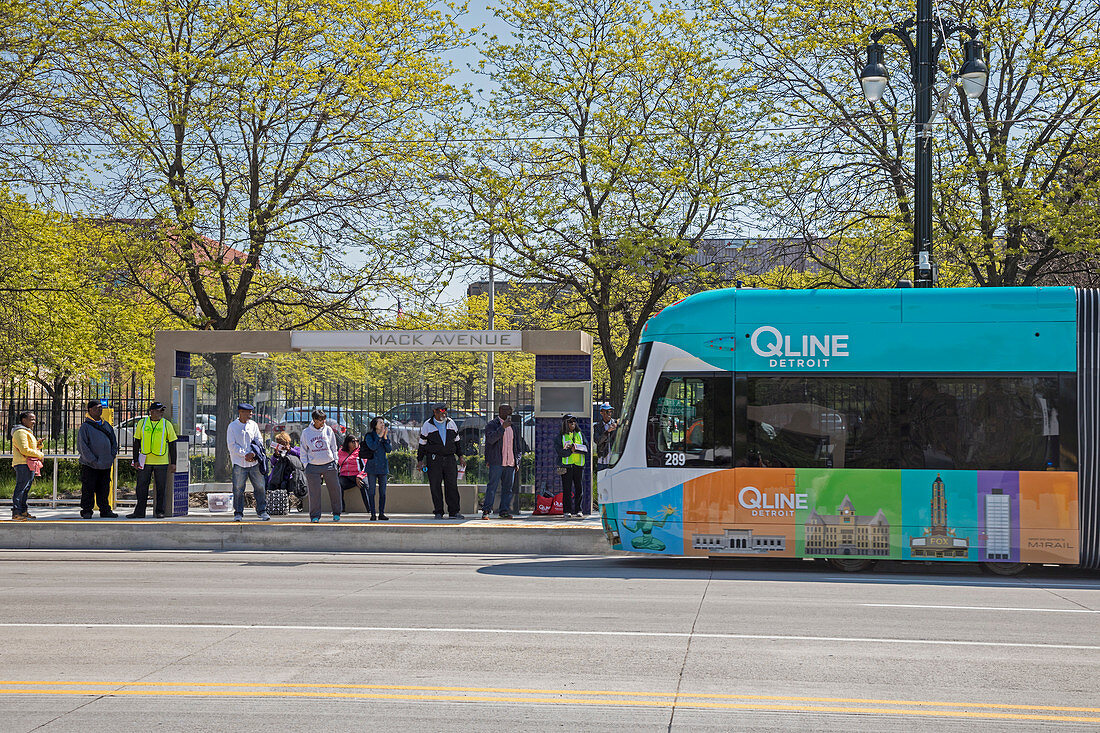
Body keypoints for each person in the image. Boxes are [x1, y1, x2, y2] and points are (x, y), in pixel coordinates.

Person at [128, 401, 177, 519]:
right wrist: (135, 460)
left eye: (162, 411)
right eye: (160, 410)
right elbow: (136, 442)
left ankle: (160, 511)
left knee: (161, 488)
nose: (162, 413)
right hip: (145, 461)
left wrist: (173, 463)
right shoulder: (142, 423)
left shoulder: (167, 424)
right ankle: (139, 512)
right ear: (152, 412)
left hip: (162, 462)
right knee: (141, 487)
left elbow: (172, 445)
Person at [416, 403, 465, 519]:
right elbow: (422, 444)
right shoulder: (428, 425)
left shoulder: (451, 423)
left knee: (452, 485)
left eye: (445, 411)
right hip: (434, 459)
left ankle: (454, 512)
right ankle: (438, 511)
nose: (444, 413)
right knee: (435, 485)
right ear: (435, 412)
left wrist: (461, 457)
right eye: (441, 411)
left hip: (449, 459)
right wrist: (420, 460)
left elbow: (457, 442)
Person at [76, 400, 121, 519]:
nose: (99, 410)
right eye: (97, 408)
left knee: (104, 489)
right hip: (90, 465)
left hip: (105, 464)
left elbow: (113, 442)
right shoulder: (85, 427)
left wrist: (111, 455)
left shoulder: (106, 425)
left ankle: (105, 510)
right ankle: (86, 510)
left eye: (101, 408)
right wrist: (92, 460)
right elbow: (82, 446)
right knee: (88, 489)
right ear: (90, 410)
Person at [226, 402, 269, 522]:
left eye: (251, 412)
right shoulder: (232, 427)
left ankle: (262, 511)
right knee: (238, 488)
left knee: (260, 487)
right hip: (239, 463)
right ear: (241, 412)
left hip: (254, 463)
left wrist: (253, 454)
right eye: (248, 413)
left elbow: (258, 440)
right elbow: (231, 445)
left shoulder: (253, 425)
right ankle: (238, 512)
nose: (250, 415)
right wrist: (245, 454)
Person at [300, 409, 342, 522]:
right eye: (320, 420)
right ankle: (315, 516)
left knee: (335, 490)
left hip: (329, 464)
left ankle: (337, 513)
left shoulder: (328, 430)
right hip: (313, 466)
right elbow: (303, 450)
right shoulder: (306, 432)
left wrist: (335, 460)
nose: (322, 422)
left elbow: (334, 446)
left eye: (324, 419)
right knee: (314, 493)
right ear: (314, 420)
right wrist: (306, 465)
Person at [483, 404, 520, 519]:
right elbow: (491, 439)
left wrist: (517, 461)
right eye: (505, 410)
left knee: (508, 489)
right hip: (497, 462)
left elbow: (518, 447)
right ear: (499, 411)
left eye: (510, 411)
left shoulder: (514, 427)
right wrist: (502, 428)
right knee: (492, 487)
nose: (508, 413)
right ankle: (486, 511)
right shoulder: (492, 425)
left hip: (510, 463)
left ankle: (504, 511)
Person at [10, 411, 44, 520]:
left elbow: (29, 448)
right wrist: (40, 454)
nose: (34, 422)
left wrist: (38, 444)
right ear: (24, 420)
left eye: (34, 419)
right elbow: (24, 450)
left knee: (25, 488)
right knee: (21, 488)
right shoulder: (20, 432)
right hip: (22, 463)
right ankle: (16, 512)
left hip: (28, 464)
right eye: (31, 419)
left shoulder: (27, 432)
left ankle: (23, 511)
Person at [557, 414, 588, 518]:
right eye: (570, 422)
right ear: (565, 423)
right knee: (567, 489)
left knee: (579, 488)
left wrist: (579, 448)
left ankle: (579, 510)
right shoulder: (560, 436)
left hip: (579, 465)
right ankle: (567, 511)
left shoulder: (579, 434)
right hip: (566, 466)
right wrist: (570, 451)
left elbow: (587, 447)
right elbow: (559, 451)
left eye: (574, 421)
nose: (573, 423)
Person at [360, 417, 392, 521]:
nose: (383, 425)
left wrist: (385, 438)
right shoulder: (369, 436)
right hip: (372, 467)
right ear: (375, 425)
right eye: (380, 423)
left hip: (383, 467)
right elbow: (372, 447)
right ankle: (373, 513)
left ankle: (381, 513)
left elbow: (389, 450)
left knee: (383, 492)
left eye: (383, 423)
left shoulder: (384, 436)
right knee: (372, 491)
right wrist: (379, 437)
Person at [269, 431, 307, 511]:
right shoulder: (279, 452)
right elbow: (273, 463)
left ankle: (297, 503)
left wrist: (290, 450)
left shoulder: (295, 449)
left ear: (287, 442)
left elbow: (301, 456)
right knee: (279, 484)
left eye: (283, 443)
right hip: (280, 476)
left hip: (293, 476)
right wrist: (276, 455)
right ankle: (283, 505)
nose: (282, 446)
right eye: (279, 443)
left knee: (287, 484)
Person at [337, 434, 365, 513]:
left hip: (357, 475)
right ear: (347, 443)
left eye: (357, 441)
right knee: (338, 485)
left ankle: (369, 509)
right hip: (345, 476)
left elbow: (365, 466)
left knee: (364, 485)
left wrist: (359, 476)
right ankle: (341, 508)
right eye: (353, 441)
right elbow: (338, 464)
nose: (355, 443)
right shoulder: (341, 451)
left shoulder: (360, 451)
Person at [593, 403, 617, 472]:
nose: (609, 414)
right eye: (607, 411)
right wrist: (607, 431)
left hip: (615, 459)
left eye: (610, 411)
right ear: (601, 413)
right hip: (602, 459)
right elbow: (598, 441)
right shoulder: (597, 426)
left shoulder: (616, 424)